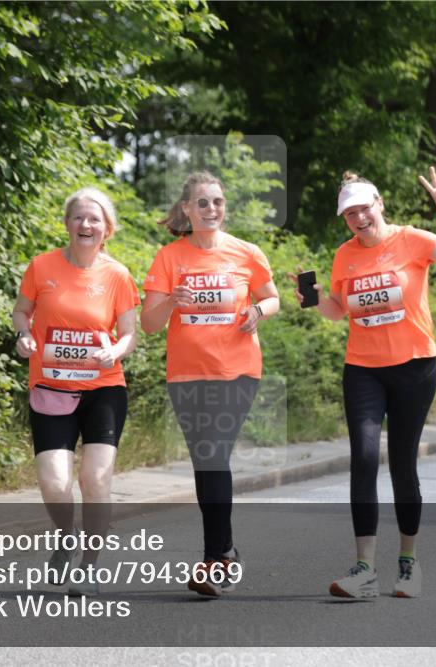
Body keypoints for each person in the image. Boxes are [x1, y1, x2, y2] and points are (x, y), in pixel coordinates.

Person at [294, 167, 436, 600]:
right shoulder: (345, 255)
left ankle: (408, 564)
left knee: (402, 464)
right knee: (363, 458)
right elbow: (338, 310)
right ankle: (363, 569)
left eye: (364, 209)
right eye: (350, 214)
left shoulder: (412, 240)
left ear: (379, 204)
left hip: (415, 367)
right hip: (362, 368)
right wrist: (315, 300)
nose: (359, 219)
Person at [140, 171, 280, 597]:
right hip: (186, 374)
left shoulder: (245, 252)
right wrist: (170, 300)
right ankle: (225, 552)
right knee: (206, 462)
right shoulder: (169, 257)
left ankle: (214, 559)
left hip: (236, 370)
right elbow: (148, 324)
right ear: (187, 209)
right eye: (203, 203)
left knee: (214, 455)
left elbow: (271, 297)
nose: (211, 209)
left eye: (217, 202)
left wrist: (259, 311)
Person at [12, 187, 140, 596]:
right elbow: (21, 312)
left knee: (96, 478)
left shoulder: (117, 275)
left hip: (103, 389)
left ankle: (90, 564)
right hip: (50, 386)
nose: (86, 225)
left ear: (108, 229)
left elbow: (129, 334)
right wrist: (23, 335)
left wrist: (114, 350)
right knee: (53, 481)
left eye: (94, 219)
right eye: (79, 218)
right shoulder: (41, 266)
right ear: (67, 224)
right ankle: (67, 536)